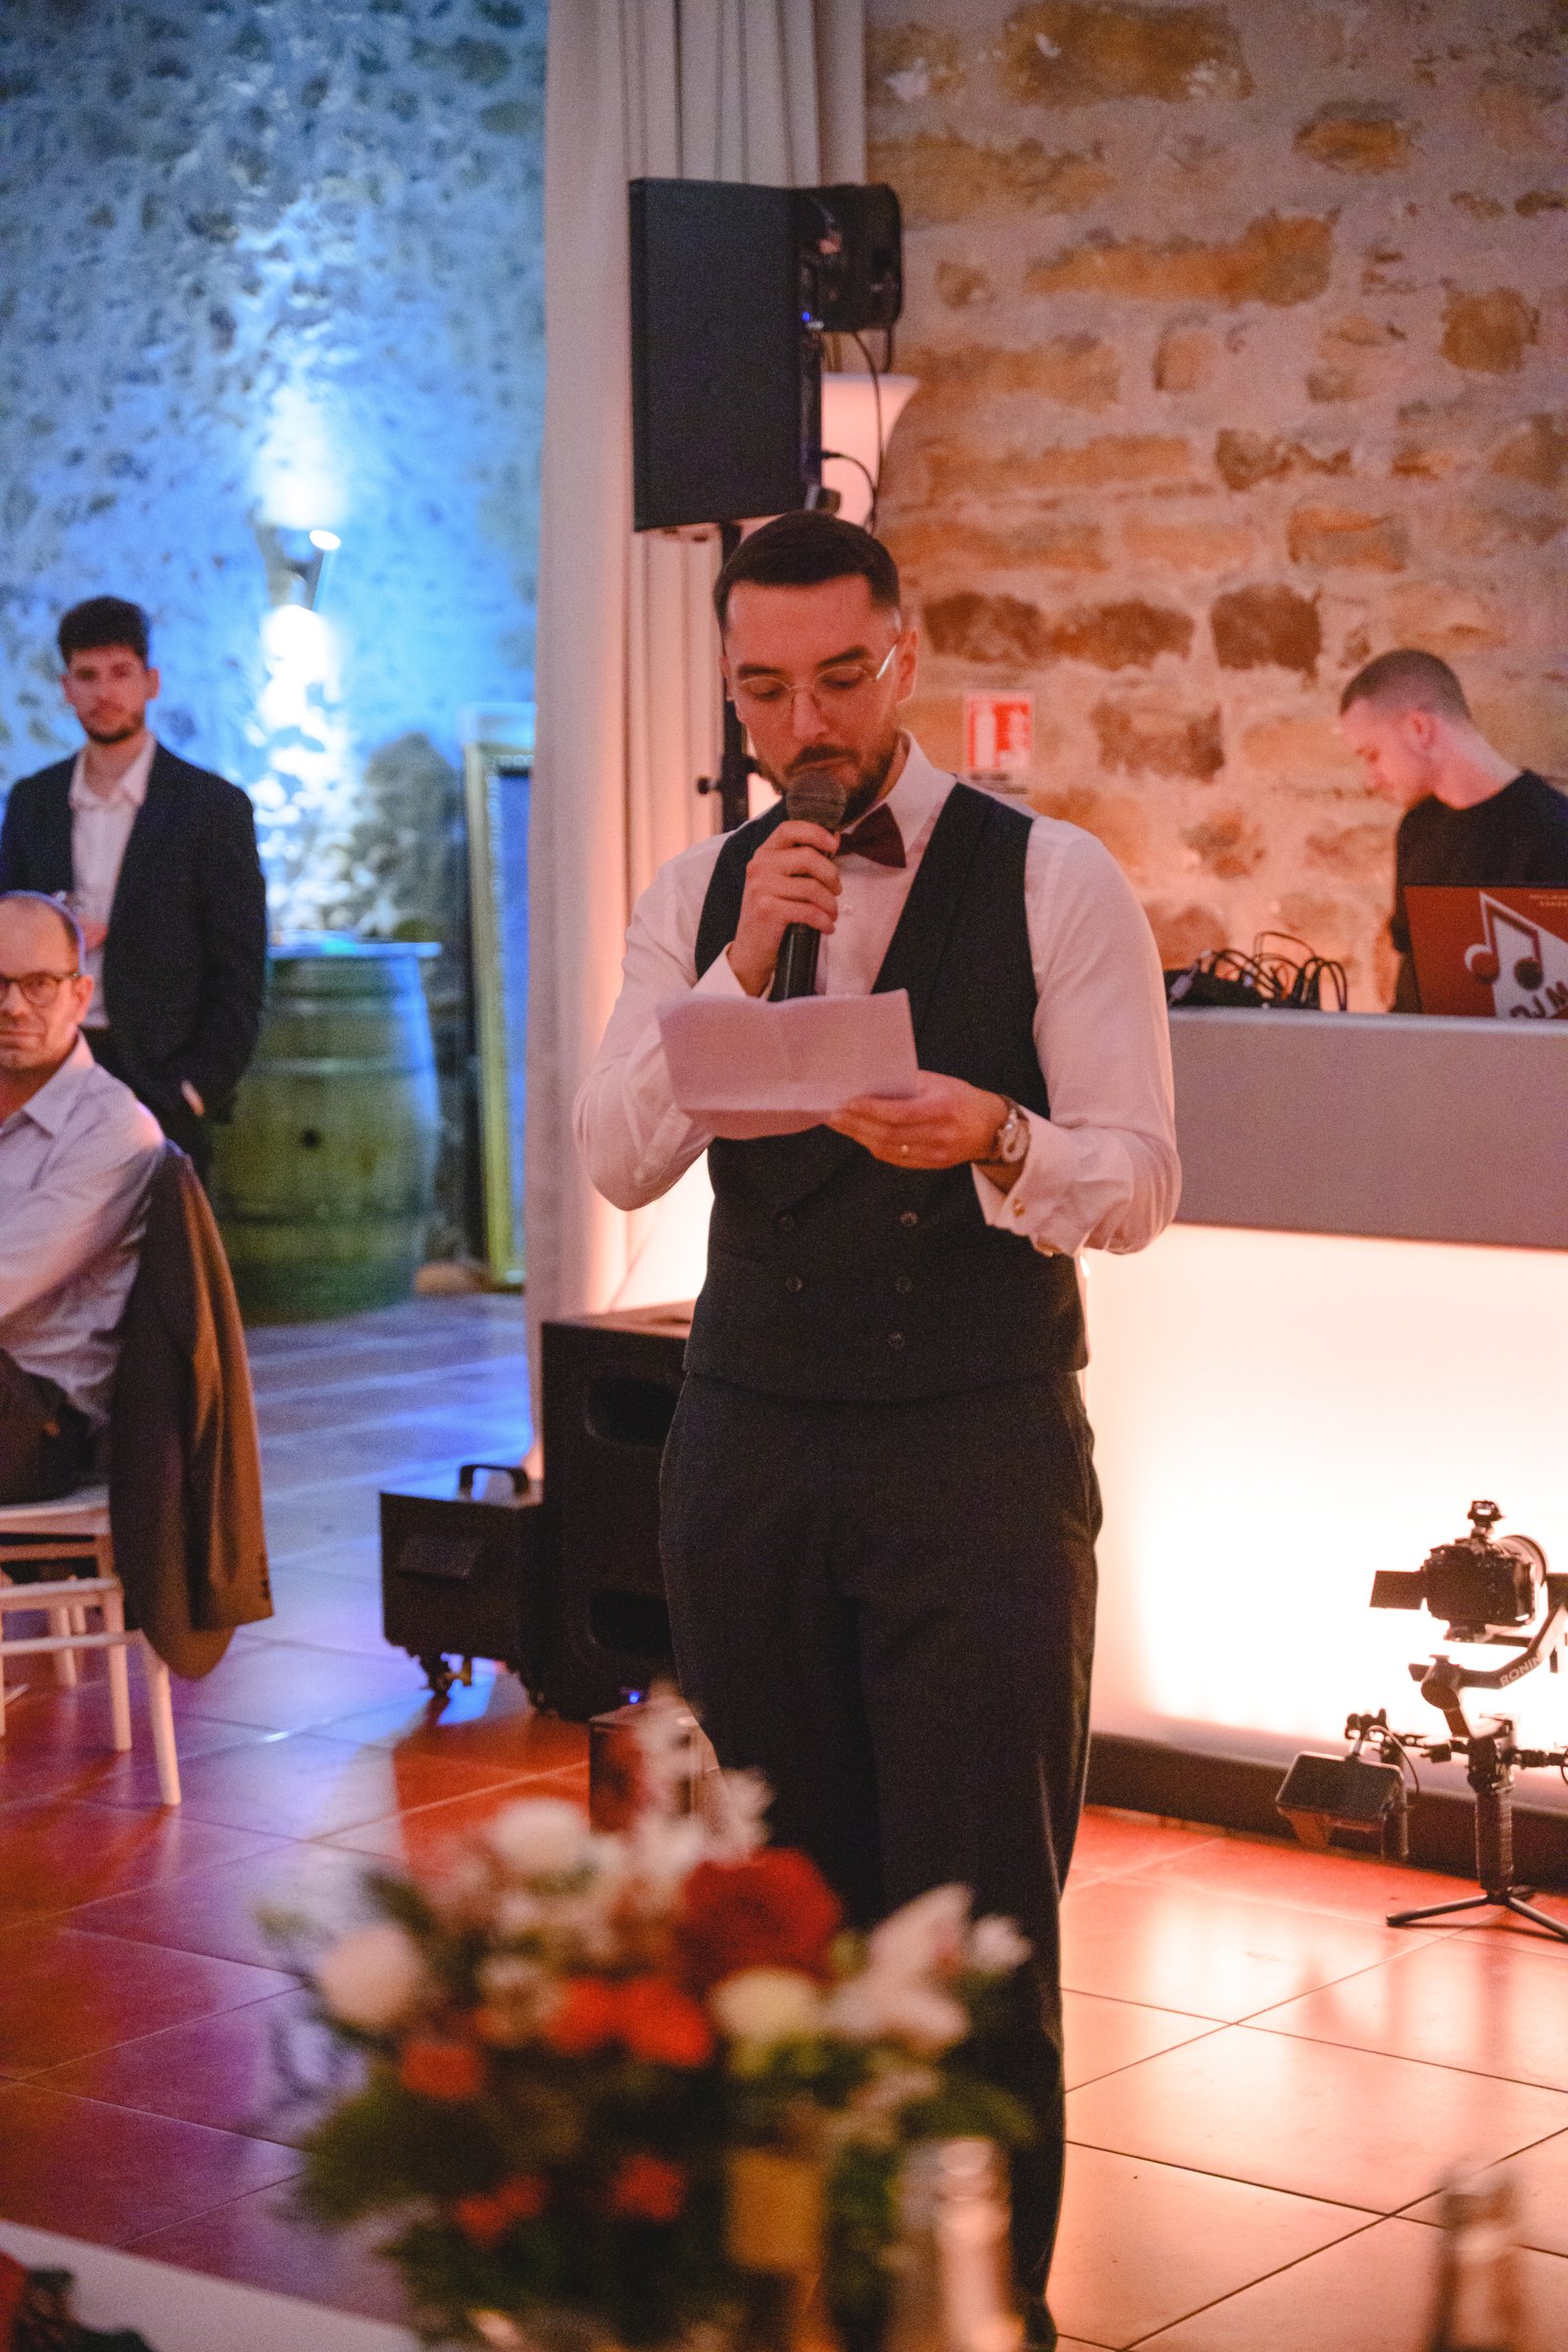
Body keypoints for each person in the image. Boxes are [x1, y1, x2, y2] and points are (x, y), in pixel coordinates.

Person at [575, 511, 1179, 2339]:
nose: (806, 723)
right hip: (750, 1449)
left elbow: (1141, 1180)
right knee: (783, 1914)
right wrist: (743, 964)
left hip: (975, 1451)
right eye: (766, 689)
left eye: (841, 677)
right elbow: (616, 1158)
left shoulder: (1057, 877)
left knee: (979, 1921)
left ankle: (991, 2316)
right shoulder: (698, 894)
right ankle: (809, 2294)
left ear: (903, 656)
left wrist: (1001, 1136)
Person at [0, 596, 269, 1175]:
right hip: (47, 1069)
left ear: (151, 682)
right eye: (87, 676)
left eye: (121, 673)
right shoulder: (32, 802)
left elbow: (241, 967)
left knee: (162, 1233)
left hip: (160, 1072)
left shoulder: (212, 808)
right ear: (66, 688)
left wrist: (197, 1087)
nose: (104, 692)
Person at [0, 891, 163, 1504]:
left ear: (80, 995)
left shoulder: (112, 1128)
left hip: (34, 1415)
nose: (14, 1006)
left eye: (39, 984)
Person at [1339, 649, 1568, 1011]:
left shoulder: (1554, 831)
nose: (1370, 780)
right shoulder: (1417, 828)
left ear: (1419, 729)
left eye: (1372, 754)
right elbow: (1412, 978)